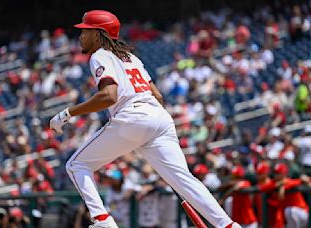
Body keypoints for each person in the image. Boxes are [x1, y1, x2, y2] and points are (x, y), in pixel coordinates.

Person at [50, 10, 239, 228]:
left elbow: (109, 96)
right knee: (184, 180)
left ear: (98, 34)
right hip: (159, 117)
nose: (81, 36)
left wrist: (68, 113)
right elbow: (157, 95)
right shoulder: (131, 57)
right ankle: (228, 225)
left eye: (85, 31)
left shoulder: (99, 55)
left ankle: (103, 221)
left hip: (133, 114)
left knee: (76, 164)